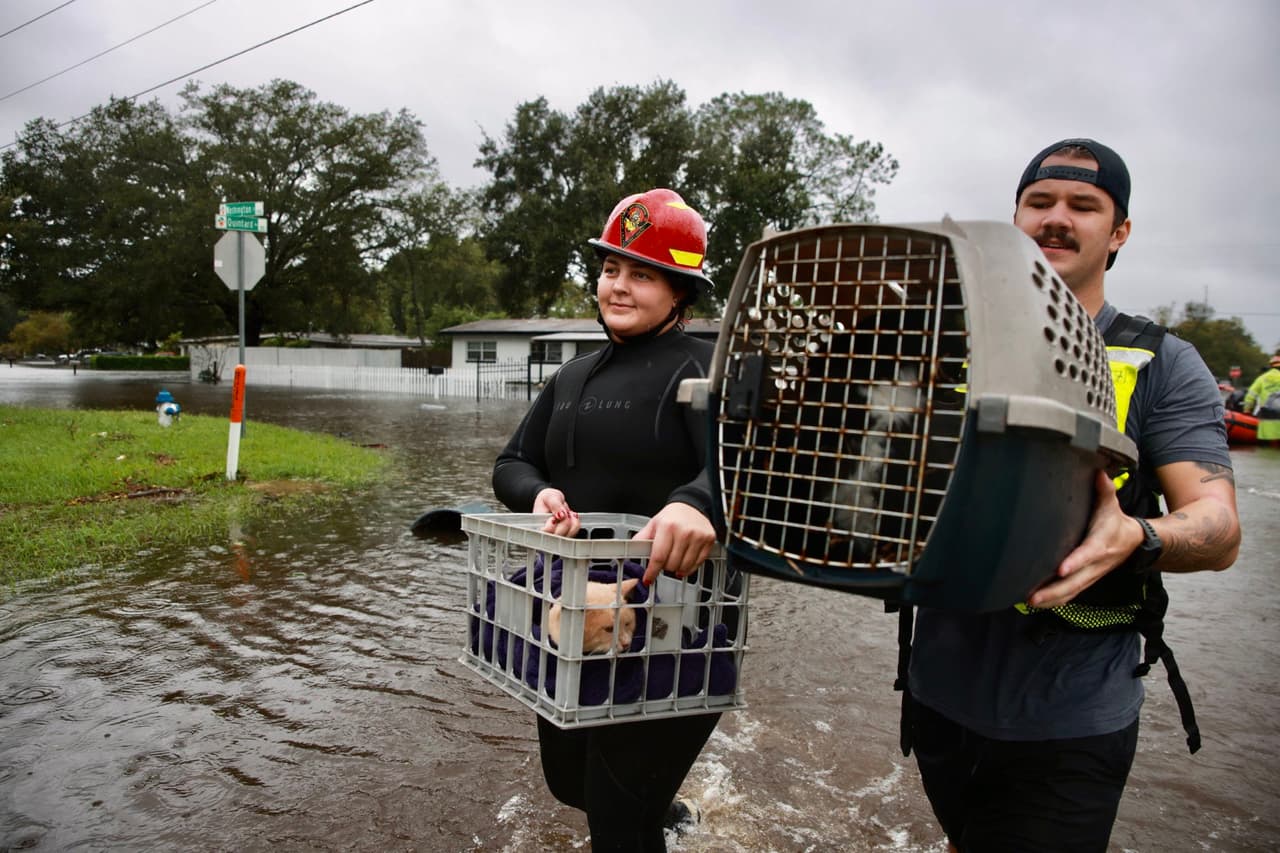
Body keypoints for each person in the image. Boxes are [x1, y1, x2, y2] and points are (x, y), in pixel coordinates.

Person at [904, 139, 1242, 852]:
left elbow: (1218, 526)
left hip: (1072, 710)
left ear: (1118, 232)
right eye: (1040, 202)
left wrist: (1140, 537)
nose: (1057, 218)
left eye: (1083, 206)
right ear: (1017, 218)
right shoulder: (942, 341)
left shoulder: (1164, 363)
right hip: (939, 691)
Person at [492, 188, 720, 851]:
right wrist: (538, 494)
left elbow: (750, 474)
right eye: (611, 269)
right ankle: (670, 820)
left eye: (641, 273)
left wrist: (696, 500)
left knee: (616, 824)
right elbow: (512, 461)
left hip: (676, 625)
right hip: (573, 614)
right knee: (571, 783)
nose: (618, 286)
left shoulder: (706, 371)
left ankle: (646, 817)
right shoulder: (571, 376)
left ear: (679, 289)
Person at [1242, 352, 1280, 442]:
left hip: (1267, 417)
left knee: (1268, 448)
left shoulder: (1262, 378)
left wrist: (1246, 410)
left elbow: (1250, 396)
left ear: (1271, 366)